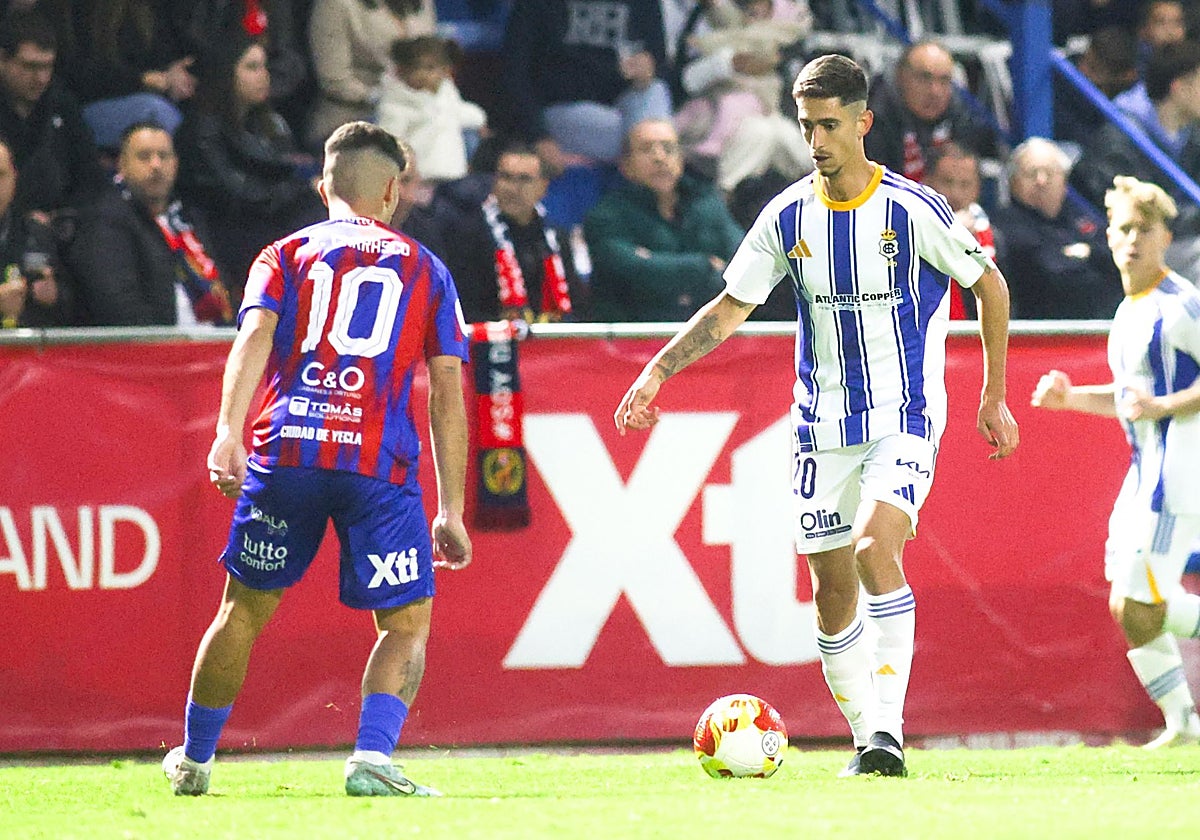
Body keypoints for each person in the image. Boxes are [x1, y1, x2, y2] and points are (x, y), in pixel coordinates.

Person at [614, 54, 1019, 777]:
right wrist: (659, 368)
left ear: (863, 123)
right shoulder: (788, 214)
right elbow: (729, 307)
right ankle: (869, 737)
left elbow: (988, 284)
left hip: (905, 414)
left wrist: (993, 395)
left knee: (873, 550)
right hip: (819, 427)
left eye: (830, 125)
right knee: (833, 594)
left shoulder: (912, 209)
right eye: (807, 126)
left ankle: (888, 735)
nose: (817, 141)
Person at [161, 121, 472, 797]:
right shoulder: (426, 268)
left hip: (286, 456)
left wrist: (226, 432)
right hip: (377, 469)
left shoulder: (284, 254)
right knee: (406, 621)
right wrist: (451, 505)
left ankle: (195, 760)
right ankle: (371, 758)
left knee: (240, 611)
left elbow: (251, 339)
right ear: (391, 190)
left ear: (323, 184)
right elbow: (447, 390)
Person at [1031, 175, 1200, 748]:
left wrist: (1166, 405)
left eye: (1144, 230)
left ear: (1165, 238)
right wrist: (1070, 398)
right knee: (1125, 605)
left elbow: (1153, 403)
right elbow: (1131, 400)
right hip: (1143, 473)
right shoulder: (1130, 310)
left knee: (1142, 605)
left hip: (1179, 475)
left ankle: (1182, 722)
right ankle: (1182, 723)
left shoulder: (1182, 305)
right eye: (1123, 229)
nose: (1132, 240)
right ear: (1107, 236)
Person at [174, 33, 326, 298]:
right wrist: (303, 189)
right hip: (227, 230)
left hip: (268, 220)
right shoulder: (201, 128)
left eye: (264, 67)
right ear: (225, 74)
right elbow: (234, 194)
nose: (264, 75)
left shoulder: (269, 124)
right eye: (252, 67)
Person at [67, 122, 232, 326]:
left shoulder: (189, 218)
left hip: (214, 345)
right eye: (144, 157)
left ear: (175, 164)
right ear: (122, 165)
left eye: (163, 156)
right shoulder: (105, 220)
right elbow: (119, 307)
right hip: (155, 350)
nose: (156, 165)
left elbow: (225, 286)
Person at [584, 118, 743, 321]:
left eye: (668, 149)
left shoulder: (707, 205)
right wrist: (705, 266)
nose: (659, 157)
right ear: (625, 165)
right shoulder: (606, 216)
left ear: (681, 160)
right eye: (646, 149)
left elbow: (745, 263)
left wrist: (657, 264)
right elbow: (635, 272)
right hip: (632, 338)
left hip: (706, 332)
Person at [496, 0, 674, 171]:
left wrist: (647, 71)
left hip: (627, 101)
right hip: (563, 109)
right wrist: (538, 136)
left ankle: (656, 160)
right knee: (646, 140)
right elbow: (515, 74)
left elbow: (659, 64)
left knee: (656, 92)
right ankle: (665, 163)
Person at [673, 0, 813, 191]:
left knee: (789, 141)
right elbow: (686, 80)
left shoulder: (793, 18)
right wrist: (729, 63)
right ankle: (723, 197)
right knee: (760, 133)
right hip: (708, 118)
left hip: (768, 108)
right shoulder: (706, 14)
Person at [446, 142, 583, 323]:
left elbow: (576, 303)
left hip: (551, 342)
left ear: (543, 187)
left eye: (524, 179)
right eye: (506, 177)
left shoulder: (556, 238)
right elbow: (463, 306)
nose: (512, 188)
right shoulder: (467, 233)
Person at [992, 137, 1123, 319]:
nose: (1041, 181)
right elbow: (1054, 277)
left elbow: (1119, 264)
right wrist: (1095, 260)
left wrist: (1090, 253)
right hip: (1039, 334)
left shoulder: (1079, 216)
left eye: (1050, 172)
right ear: (1013, 182)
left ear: (1064, 180)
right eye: (1031, 173)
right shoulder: (1006, 225)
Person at [0, 10, 105, 217]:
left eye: (47, 66)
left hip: (62, 222)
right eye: (30, 66)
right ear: (2, 58)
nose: (40, 78)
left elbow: (90, 176)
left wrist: (66, 215)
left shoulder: (62, 104)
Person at [306, 0, 436, 150]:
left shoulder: (424, 3)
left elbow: (433, 58)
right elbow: (335, 81)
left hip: (419, 118)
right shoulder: (336, 4)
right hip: (352, 122)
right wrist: (387, 99)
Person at [68, 0, 197, 151]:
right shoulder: (86, 9)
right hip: (92, 105)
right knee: (156, 111)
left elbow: (178, 51)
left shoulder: (155, 9)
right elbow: (81, 74)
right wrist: (142, 80)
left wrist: (175, 75)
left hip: (152, 97)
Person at [864, 39, 998, 183]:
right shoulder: (869, 124)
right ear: (900, 77)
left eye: (944, 80)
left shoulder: (964, 121)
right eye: (924, 78)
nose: (935, 91)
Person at [376, 35, 487, 184]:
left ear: (445, 70)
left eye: (430, 68)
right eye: (416, 68)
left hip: (453, 173)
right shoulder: (395, 104)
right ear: (403, 70)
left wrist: (479, 118)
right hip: (420, 178)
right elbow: (388, 144)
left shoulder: (447, 94)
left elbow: (460, 113)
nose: (423, 74)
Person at [0, 133, 71, 328]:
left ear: (14, 177)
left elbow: (76, 306)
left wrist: (55, 296)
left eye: (0, 175)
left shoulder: (37, 233)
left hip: (32, 353)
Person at [923, 143, 996, 319]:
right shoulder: (905, 229)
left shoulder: (995, 237)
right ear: (927, 181)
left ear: (978, 188)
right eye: (947, 182)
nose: (955, 193)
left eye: (965, 184)